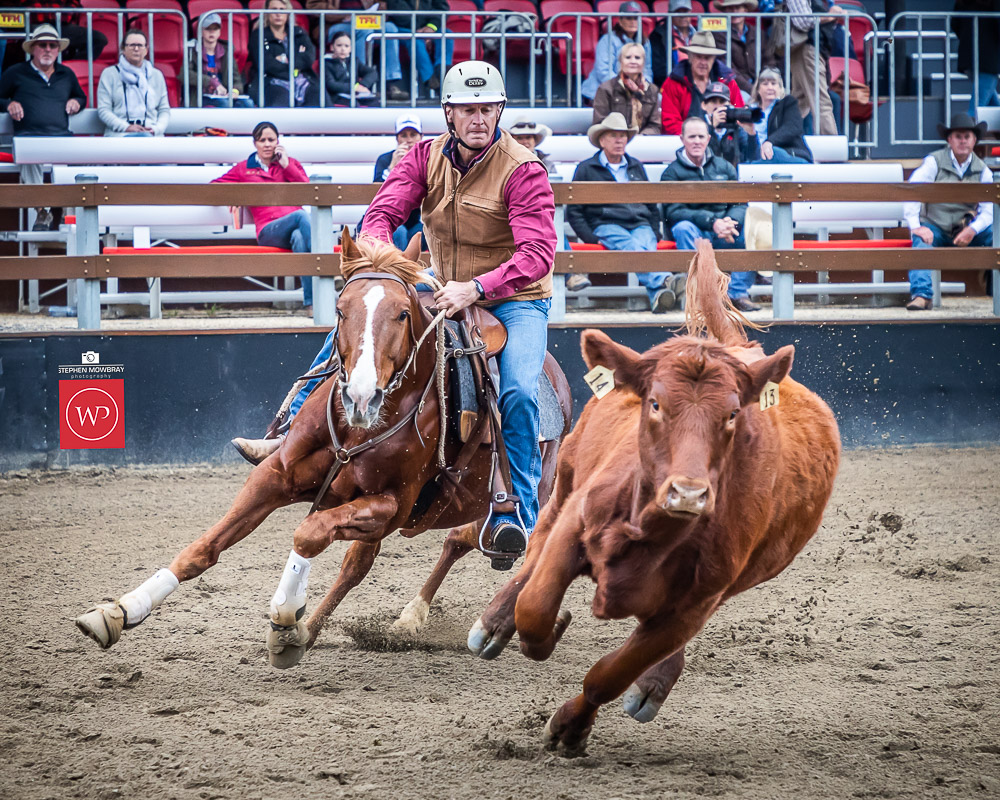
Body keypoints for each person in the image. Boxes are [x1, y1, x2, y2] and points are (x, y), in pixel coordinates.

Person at [234, 62, 557, 565]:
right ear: (448, 113)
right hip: (442, 287)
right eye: (467, 109)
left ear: (500, 111)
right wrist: (381, 261)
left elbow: (537, 254)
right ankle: (289, 426)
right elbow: (381, 214)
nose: (478, 119)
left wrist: (476, 288)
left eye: (487, 109)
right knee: (363, 325)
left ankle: (517, 515)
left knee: (516, 390)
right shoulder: (423, 157)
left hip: (515, 299)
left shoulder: (523, 169)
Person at [567, 112, 684, 313]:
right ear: (602, 141)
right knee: (634, 247)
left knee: (643, 244)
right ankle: (666, 279)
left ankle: (657, 295)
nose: (619, 140)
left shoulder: (636, 166)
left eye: (622, 135)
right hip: (606, 224)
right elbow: (574, 210)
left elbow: (650, 203)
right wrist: (590, 237)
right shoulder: (586, 168)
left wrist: (655, 231)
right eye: (613, 135)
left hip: (640, 223)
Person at [212, 122, 314, 308]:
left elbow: (307, 191)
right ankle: (328, 264)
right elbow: (214, 187)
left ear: (278, 142)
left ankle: (311, 304)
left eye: (271, 140)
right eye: (262, 140)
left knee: (300, 239)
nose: (267, 144)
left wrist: (286, 166)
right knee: (301, 215)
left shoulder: (291, 163)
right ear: (255, 143)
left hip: (295, 227)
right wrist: (233, 195)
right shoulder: (243, 168)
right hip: (268, 231)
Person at [661, 116, 758, 312]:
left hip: (725, 231)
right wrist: (712, 222)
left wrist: (731, 222)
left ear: (708, 138)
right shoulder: (671, 173)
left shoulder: (724, 167)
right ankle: (700, 294)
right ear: (682, 139)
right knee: (682, 228)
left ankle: (737, 294)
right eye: (692, 137)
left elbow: (740, 203)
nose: (697, 141)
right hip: (695, 231)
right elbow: (674, 212)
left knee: (751, 230)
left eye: (701, 136)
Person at [902, 113, 994, 311]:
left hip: (966, 230)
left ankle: (996, 291)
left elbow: (988, 211)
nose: (963, 141)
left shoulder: (983, 170)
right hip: (936, 227)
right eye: (958, 136)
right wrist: (916, 227)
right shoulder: (934, 162)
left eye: (967, 136)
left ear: (974, 140)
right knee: (922, 240)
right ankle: (921, 295)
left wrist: (973, 230)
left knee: (996, 235)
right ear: (949, 140)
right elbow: (913, 190)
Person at [0, 25, 85, 231]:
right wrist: (9, 104)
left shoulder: (66, 74)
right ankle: (43, 212)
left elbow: (81, 97)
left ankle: (66, 212)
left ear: (58, 50)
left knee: (70, 162)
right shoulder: (16, 72)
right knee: (29, 156)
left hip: (61, 138)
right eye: (43, 45)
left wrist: (76, 102)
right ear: (33, 49)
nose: (48, 49)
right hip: (29, 137)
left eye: (52, 46)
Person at [773, 0, 838, 135]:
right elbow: (803, 22)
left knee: (799, 101)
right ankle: (830, 142)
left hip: (811, 48)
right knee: (821, 101)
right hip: (806, 49)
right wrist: (831, 16)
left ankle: (777, 138)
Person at [661, 30, 744, 134]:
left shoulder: (727, 81)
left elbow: (739, 114)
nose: (703, 62)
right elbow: (670, 123)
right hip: (686, 140)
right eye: (698, 57)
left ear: (714, 59)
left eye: (707, 58)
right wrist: (699, 133)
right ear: (690, 57)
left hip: (724, 139)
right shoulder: (673, 83)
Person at [326, 0, 409, 101]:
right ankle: (359, 81)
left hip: (365, 20)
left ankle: (391, 82)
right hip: (337, 22)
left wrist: (380, 8)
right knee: (364, 30)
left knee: (390, 28)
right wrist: (344, 15)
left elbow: (378, 3)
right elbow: (314, 5)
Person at [247, 0, 324, 108]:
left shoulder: (299, 32)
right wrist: (295, 63)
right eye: (274, 10)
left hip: (302, 80)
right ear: (266, 13)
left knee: (319, 98)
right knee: (281, 102)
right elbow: (267, 64)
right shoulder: (258, 35)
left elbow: (309, 57)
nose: (278, 14)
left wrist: (285, 60)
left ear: (288, 13)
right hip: (272, 81)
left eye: (282, 10)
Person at [97, 29, 170, 137]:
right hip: (119, 135)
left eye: (140, 45)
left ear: (146, 50)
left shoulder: (157, 75)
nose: (136, 49)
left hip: (152, 135)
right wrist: (126, 127)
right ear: (123, 49)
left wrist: (156, 129)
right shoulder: (109, 74)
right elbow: (104, 110)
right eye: (132, 45)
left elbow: (164, 110)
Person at [370, 113, 424, 249]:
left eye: (413, 135)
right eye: (404, 136)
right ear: (397, 138)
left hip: (413, 220)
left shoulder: (425, 160)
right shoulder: (385, 159)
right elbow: (375, 192)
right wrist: (392, 167)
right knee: (399, 232)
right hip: (386, 218)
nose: (409, 140)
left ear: (421, 137)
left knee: (425, 231)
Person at [581, 2, 653, 104]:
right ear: (620, 21)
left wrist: (642, 86)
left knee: (658, 100)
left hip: (633, 92)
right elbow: (603, 72)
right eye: (628, 18)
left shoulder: (645, 42)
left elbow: (647, 70)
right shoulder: (607, 39)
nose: (633, 22)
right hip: (602, 91)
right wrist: (625, 87)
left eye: (636, 18)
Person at [386, 0, 453, 98]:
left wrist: (431, 27)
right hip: (402, 28)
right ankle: (430, 79)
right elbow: (398, 13)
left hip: (427, 27)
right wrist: (422, 32)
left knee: (447, 35)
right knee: (415, 40)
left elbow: (442, 9)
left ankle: (442, 73)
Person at [592, 42, 662, 135]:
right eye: (628, 57)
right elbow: (600, 122)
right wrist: (622, 137)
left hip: (643, 140)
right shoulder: (606, 89)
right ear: (621, 61)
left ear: (643, 62)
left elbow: (655, 125)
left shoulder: (652, 90)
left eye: (637, 58)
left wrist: (642, 137)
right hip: (614, 139)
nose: (633, 61)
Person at [746, 67, 813, 163]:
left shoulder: (788, 103)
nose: (770, 87)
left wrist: (770, 142)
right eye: (765, 84)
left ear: (780, 88)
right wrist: (751, 133)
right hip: (759, 157)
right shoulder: (750, 110)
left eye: (773, 83)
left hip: (789, 155)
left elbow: (793, 127)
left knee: (775, 152)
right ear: (758, 89)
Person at [190, 13, 253, 109]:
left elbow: (236, 79)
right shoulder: (192, 50)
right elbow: (187, 75)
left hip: (223, 95)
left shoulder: (226, 50)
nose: (212, 32)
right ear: (201, 30)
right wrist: (212, 82)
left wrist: (234, 91)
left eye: (215, 29)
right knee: (224, 104)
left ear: (219, 31)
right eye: (207, 28)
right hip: (201, 95)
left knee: (248, 103)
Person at [953, 0, 1000, 115]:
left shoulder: (963, 2)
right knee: (975, 110)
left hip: (969, 56)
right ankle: (966, 126)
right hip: (988, 60)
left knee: (992, 105)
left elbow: (955, 23)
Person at [701, 80, 759, 166]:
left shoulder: (736, 126)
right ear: (704, 105)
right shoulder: (697, 125)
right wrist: (711, 128)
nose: (718, 106)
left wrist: (752, 135)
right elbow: (699, 155)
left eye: (722, 102)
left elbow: (753, 158)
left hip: (732, 172)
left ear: (729, 104)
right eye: (713, 101)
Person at [712, 0, 759, 96]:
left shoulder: (757, 32)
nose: (734, 11)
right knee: (744, 98)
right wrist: (752, 89)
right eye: (730, 8)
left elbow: (768, 60)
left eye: (737, 7)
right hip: (737, 87)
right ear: (725, 11)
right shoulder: (718, 35)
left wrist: (764, 83)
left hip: (760, 84)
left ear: (745, 10)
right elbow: (728, 67)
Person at [323, 30, 378, 105]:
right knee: (354, 104)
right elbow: (331, 84)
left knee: (376, 102)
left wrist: (362, 85)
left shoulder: (354, 61)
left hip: (354, 94)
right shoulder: (326, 63)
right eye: (339, 45)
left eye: (346, 46)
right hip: (336, 96)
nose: (343, 49)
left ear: (350, 48)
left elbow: (372, 73)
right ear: (332, 47)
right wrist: (353, 87)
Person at [650, 0, 695, 87]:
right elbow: (659, 70)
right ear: (670, 14)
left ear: (691, 13)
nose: (682, 16)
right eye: (678, 12)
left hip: (697, 82)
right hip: (672, 83)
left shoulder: (699, 31)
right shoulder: (658, 35)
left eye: (685, 12)